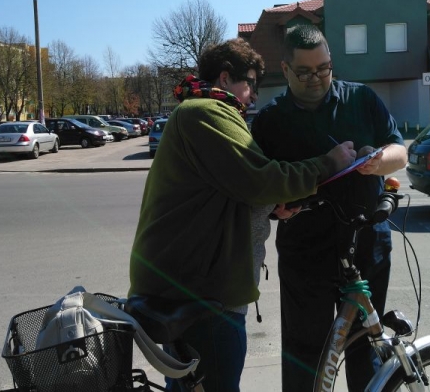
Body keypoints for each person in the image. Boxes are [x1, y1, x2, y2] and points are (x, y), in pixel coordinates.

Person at [128, 37, 356, 392]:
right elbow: (260, 179)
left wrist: (273, 207)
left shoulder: (196, 113)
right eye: (249, 82)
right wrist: (329, 163)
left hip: (191, 290)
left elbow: (230, 189)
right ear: (224, 77)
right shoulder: (205, 112)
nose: (253, 95)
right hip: (204, 298)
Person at [250, 24, 408, 392]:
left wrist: (379, 161)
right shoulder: (271, 121)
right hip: (306, 252)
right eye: (304, 72)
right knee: (304, 353)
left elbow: (400, 152)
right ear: (285, 70)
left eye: (324, 68)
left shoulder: (361, 99)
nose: (317, 78)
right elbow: (257, 186)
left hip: (367, 244)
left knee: (366, 349)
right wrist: (274, 209)